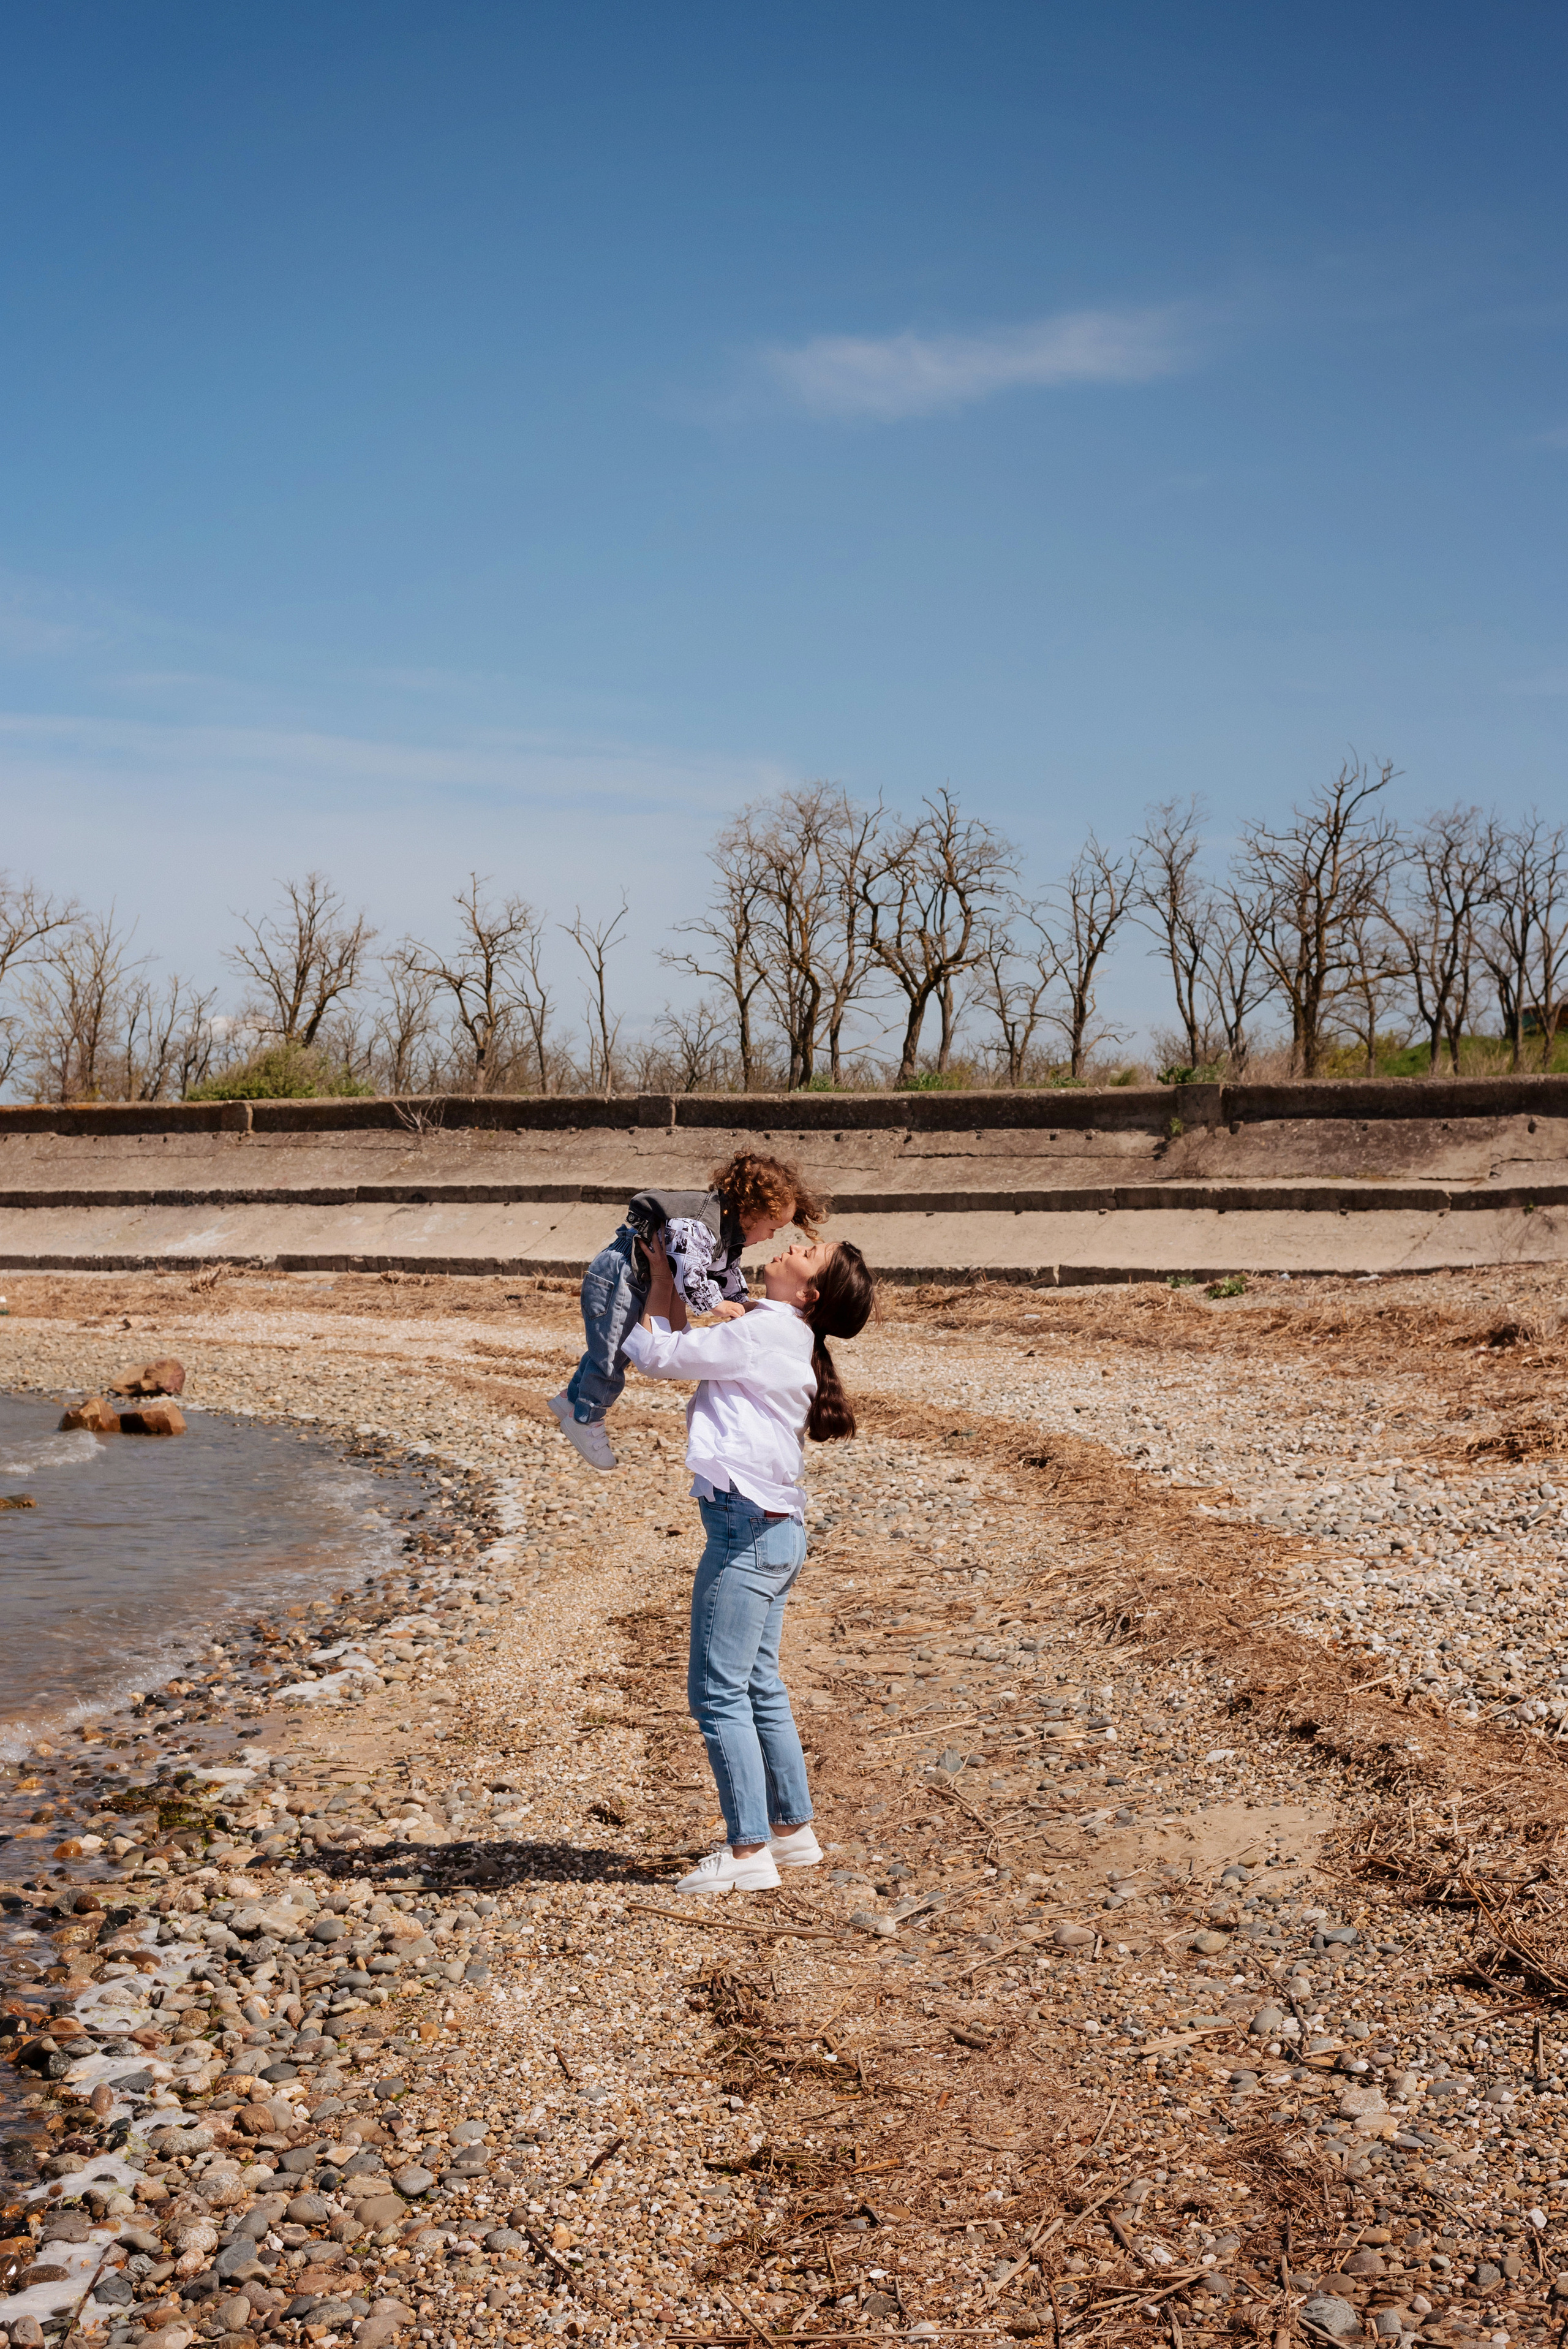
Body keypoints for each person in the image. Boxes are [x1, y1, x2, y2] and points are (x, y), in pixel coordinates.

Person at [621, 1229, 875, 1893]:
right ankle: (791, 1834)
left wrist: (658, 1284)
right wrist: (671, 1286)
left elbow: (652, 1353)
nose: (798, 1242)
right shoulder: (777, 1333)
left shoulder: (766, 1333)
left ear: (809, 1292)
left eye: (809, 1251)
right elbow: (680, 1351)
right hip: (776, 1528)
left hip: (746, 1529)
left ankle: (747, 1853)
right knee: (759, 1686)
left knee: (717, 1694)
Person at [549, 1151, 827, 1472]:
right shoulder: (702, 1224)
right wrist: (713, 1303)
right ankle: (586, 1418)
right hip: (620, 1275)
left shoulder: (726, 1233)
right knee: (611, 1355)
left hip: (632, 1278)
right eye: (772, 1228)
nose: (771, 1237)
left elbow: (724, 1272)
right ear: (751, 1212)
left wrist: (742, 1302)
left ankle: (571, 1400)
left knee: (618, 1345)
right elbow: (685, 1259)